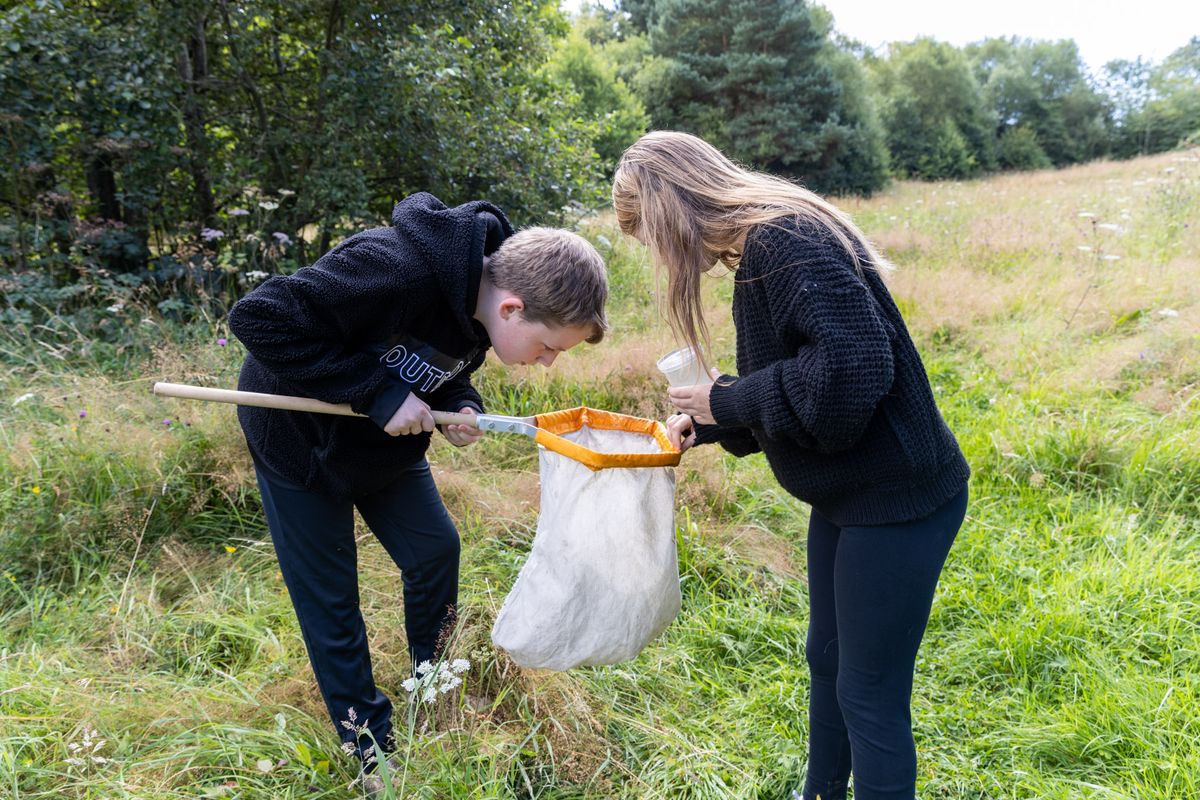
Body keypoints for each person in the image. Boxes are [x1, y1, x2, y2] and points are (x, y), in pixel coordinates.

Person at [612, 132, 970, 800]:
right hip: (851, 495)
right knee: (827, 661)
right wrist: (715, 419)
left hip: (898, 503)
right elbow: (802, 382)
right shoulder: (759, 249)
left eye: (650, 239)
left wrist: (729, 397)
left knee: (869, 693)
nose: (660, 259)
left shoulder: (781, 241)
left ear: (671, 215)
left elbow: (850, 376)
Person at [226, 192, 608, 779]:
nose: (549, 362)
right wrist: (378, 393)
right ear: (511, 308)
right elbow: (258, 317)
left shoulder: (479, 304)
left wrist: (459, 403)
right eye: (550, 347)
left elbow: (437, 365)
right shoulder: (393, 268)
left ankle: (434, 688)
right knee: (332, 600)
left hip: (382, 447)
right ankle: (370, 750)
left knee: (434, 550)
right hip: (300, 445)